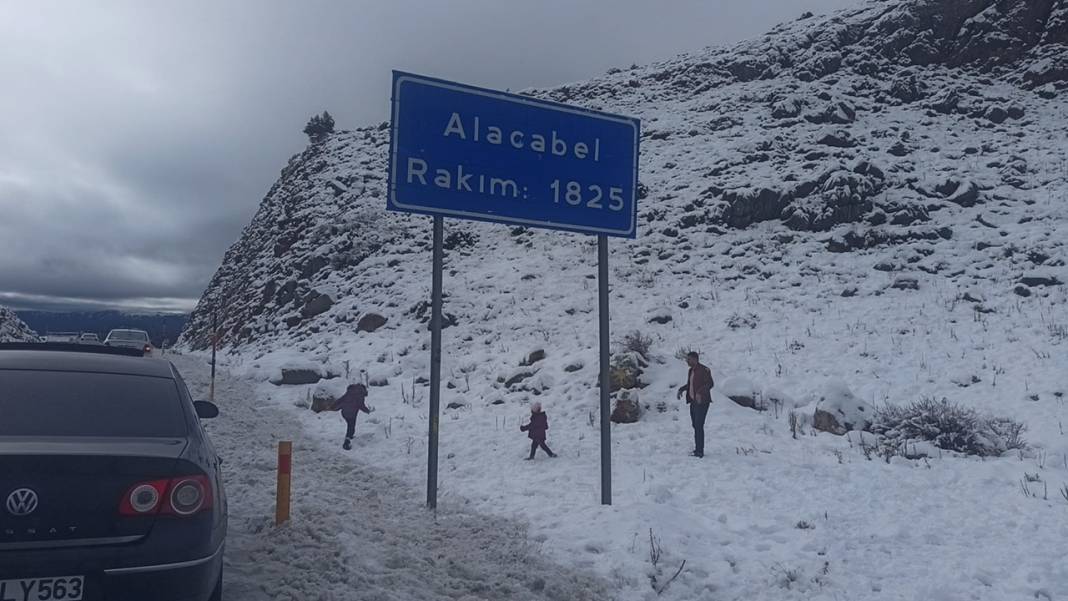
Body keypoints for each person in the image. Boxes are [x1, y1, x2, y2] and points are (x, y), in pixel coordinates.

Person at [676, 351, 714, 458]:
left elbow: (710, 384)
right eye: (687, 359)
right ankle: (698, 448)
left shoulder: (704, 370)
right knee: (695, 425)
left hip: (702, 402)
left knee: (698, 425)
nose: (687, 361)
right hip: (693, 402)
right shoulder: (690, 371)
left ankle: (699, 451)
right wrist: (681, 389)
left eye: (689, 359)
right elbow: (690, 384)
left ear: (695, 359)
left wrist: (700, 392)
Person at [332, 383, 373, 450]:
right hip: (352, 413)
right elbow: (361, 405)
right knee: (351, 426)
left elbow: (341, 399)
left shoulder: (350, 391)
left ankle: (350, 436)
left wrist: (333, 406)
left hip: (344, 412)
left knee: (350, 425)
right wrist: (367, 411)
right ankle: (347, 442)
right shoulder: (360, 394)